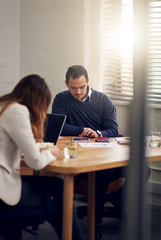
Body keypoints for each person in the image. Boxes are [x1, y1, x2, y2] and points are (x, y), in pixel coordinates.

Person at [0, 74, 86, 240]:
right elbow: (36, 163)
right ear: (38, 100)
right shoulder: (18, 111)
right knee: (50, 205)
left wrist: (29, 146)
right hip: (0, 185)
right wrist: (51, 152)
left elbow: (0, 144)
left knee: (58, 185)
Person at [52, 65, 119, 233]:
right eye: (73, 88)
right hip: (78, 155)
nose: (78, 91)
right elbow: (59, 127)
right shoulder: (61, 99)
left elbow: (113, 130)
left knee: (141, 169)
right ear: (66, 83)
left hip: (103, 153)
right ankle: (94, 225)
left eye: (82, 87)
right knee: (102, 172)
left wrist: (96, 132)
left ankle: (116, 198)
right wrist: (82, 130)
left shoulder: (103, 100)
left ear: (88, 82)